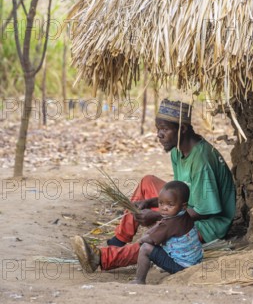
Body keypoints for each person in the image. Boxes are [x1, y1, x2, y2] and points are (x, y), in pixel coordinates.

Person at [71, 98, 236, 273]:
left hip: (209, 224)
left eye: (165, 129)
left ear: (183, 129)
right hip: (186, 208)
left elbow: (203, 211)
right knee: (147, 181)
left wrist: (158, 218)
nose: (159, 135)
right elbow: (178, 195)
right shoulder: (177, 152)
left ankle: (102, 258)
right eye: (158, 129)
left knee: (160, 234)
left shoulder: (202, 161)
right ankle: (119, 239)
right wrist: (149, 202)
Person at [130, 180, 203, 284]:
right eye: (161, 203)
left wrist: (141, 240)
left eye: (170, 205)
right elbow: (158, 228)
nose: (164, 208)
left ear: (183, 206)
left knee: (145, 248)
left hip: (181, 267)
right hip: (195, 262)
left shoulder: (170, 223)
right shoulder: (183, 214)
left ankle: (139, 280)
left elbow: (150, 240)